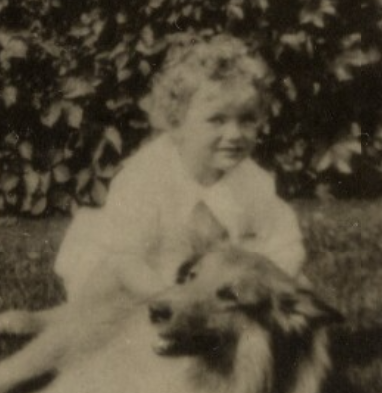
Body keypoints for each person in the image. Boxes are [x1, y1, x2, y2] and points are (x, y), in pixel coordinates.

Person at [53, 34, 306, 303]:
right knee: (109, 297)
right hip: (139, 274)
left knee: (298, 287)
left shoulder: (252, 181)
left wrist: (261, 287)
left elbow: (287, 247)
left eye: (247, 120)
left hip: (205, 282)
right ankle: (52, 322)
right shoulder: (147, 175)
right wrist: (170, 299)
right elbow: (126, 261)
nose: (234, 134)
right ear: (177, 122)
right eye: (216, 120)